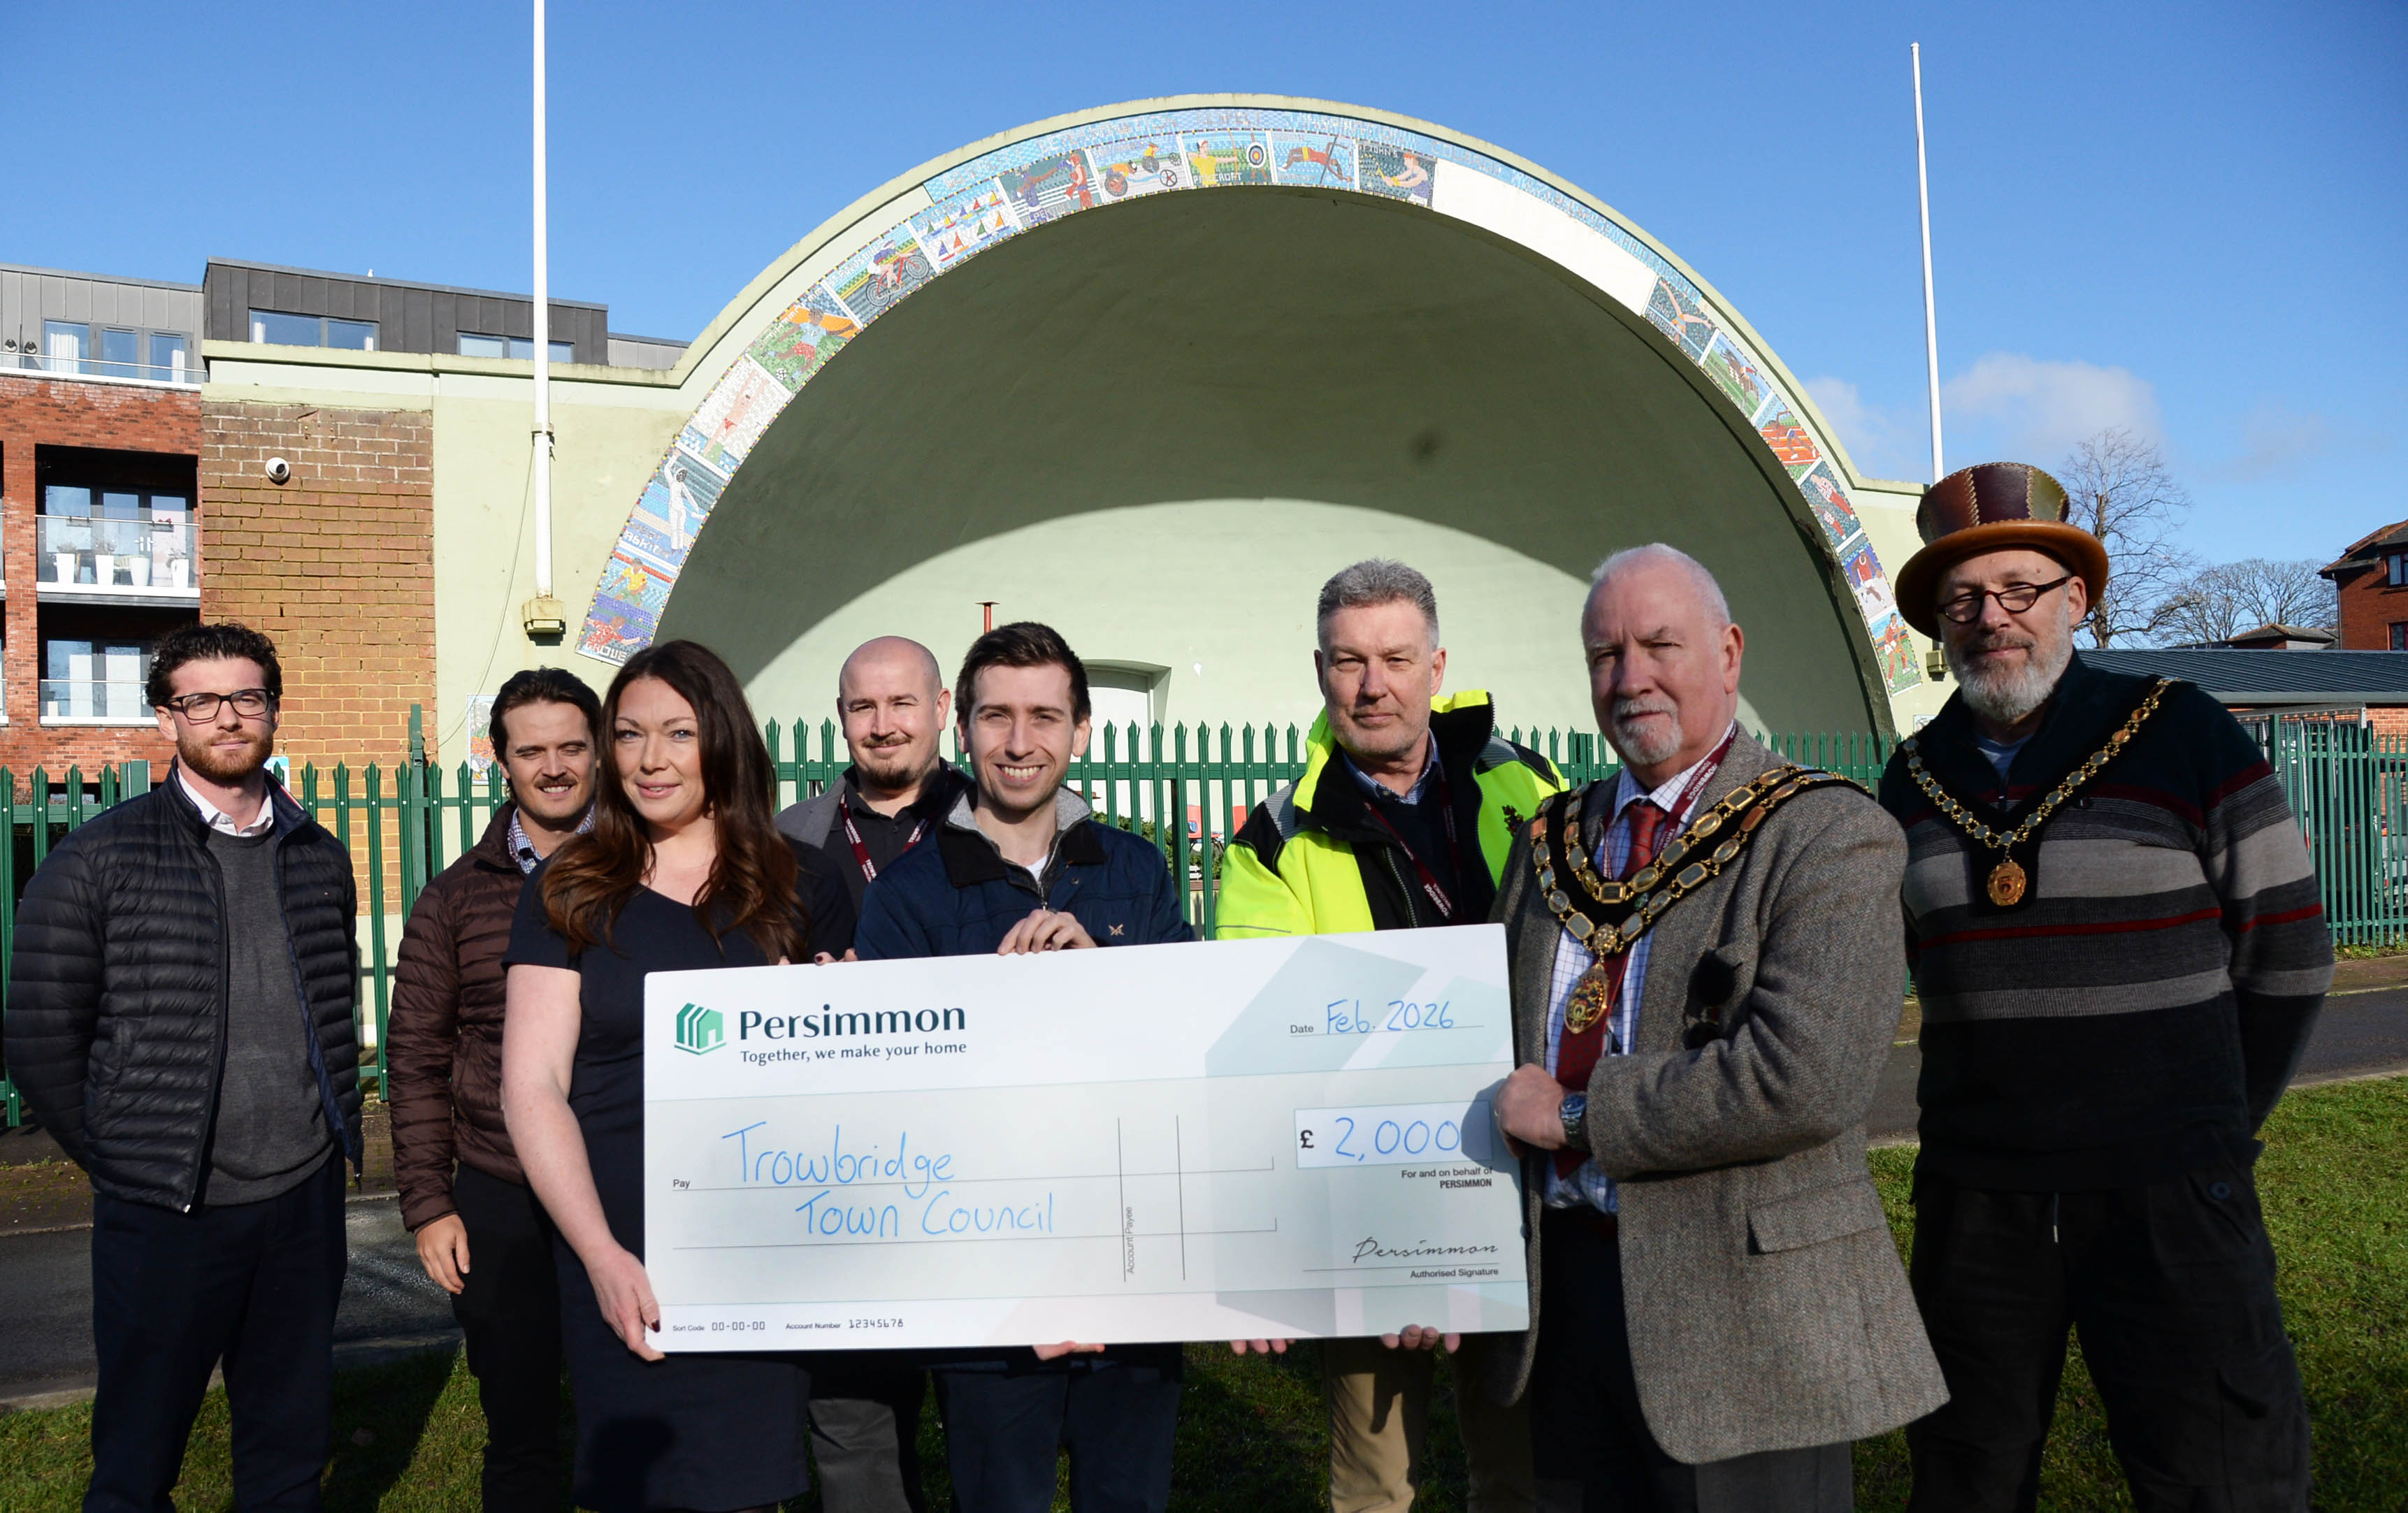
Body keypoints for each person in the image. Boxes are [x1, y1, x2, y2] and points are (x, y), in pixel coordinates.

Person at [1877, 463, 2330, 1512]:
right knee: (1967, 1478)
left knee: (2222, 1475)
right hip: (1976, 1201)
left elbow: (2291, 950)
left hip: (2171, 1189)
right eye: (1963, 600)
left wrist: (2207, 1124)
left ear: (2076, 600)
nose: (1993, 618)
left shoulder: (2180, 729)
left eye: (2021, 589)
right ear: (1938, 626)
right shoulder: (1911, 776)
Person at [1486, 544, 1947, 1513]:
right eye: (1606, 654)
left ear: (1729, 652)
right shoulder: (1549, 842)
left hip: (1745, 1322)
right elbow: (1490, 1044)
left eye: (1660, 644)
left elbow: (1803, 1078)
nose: (1631, 677)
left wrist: (1576, 1117)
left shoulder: (1826, 833)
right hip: (1559, 1311)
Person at [1216, 559, 1557, 1513]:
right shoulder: (1273, 844)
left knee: (1524, 1469)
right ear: (1320, 671)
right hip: (1367, 1197)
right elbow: (1270, 1064)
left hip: (1529, 1179)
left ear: (1438, 663)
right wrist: (1407, 1238)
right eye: (1348, 661)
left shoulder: (1530, 786)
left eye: (1397, 658)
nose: (1374, 685)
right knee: (1376, 1488)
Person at [7, 621, 363, 1512]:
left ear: (272, 709)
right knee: (137, 1458)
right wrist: (126, 1155)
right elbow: (42, 1036)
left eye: (246, 696)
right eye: (200, 700)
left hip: (302, 1199)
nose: (227, 716)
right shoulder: (97, 857)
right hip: (167, 1210)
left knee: (288, 1454)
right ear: (168, 717)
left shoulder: (318, 853)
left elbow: (331, 1005)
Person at [503, 639, 856, 1513]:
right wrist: (600, 1254)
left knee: (755, 1482)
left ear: (724, 741)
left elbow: (863, 1075)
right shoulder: (568, 886)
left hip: (765, 1241)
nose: (649, 759)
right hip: (622, 1247)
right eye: (627, 735)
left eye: (677, 733)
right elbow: (533, 1084)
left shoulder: (804, 880)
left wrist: (827, 1019)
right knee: (643, 1486)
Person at [853, 621, 1190, 1513]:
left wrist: (1102, 976)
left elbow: (1191, 1046)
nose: (1018, 740)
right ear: (961, 729)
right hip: (990, 1290)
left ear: (1082, 729)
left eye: (1044, 716)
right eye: (995, 715)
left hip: (1134, 1273)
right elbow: (895, 1104)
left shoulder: (1138, 871)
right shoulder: (907, 894)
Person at [388, 666, 602, 1510]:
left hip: (626, 1180)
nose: (554, 767)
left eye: (572, 747)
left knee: (638, 1401)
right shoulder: (452, 898)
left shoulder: (651, 873)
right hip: (501, 1189)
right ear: (501, 761)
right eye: (533, 750)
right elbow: (414, 1054)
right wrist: (428, 1203)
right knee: (519, 1422)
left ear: (600, 754)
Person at [772, 635, 967, 1513]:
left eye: (901, 703)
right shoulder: (785, 841)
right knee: (852, 1411)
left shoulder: (1007, 817)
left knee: (986, 1408)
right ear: (841, 717)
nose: (883, 725)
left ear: (942, 707)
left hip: (975, 1155)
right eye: (862, 707)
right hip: (837, 1161)